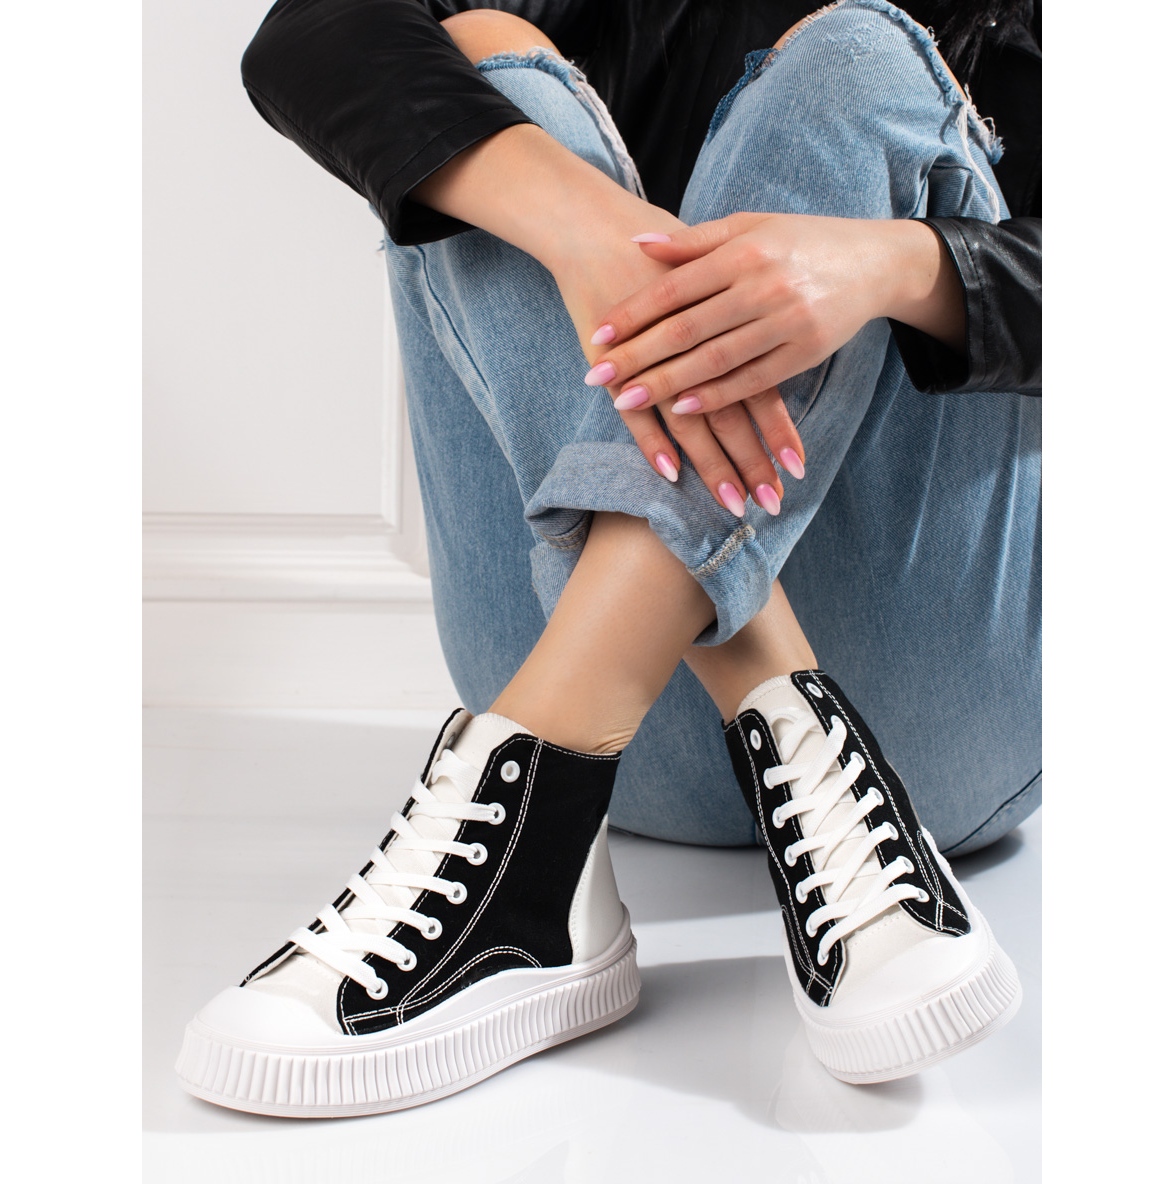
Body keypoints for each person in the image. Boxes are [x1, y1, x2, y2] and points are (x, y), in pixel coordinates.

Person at [175, 0, 1040, 1116]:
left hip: (937, 711)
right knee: (485, 62)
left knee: (855, 60)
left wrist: (901, 268)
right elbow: (309, 30)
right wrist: (589, 235)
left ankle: (533, 814)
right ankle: (765, 730)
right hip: (603, 718)